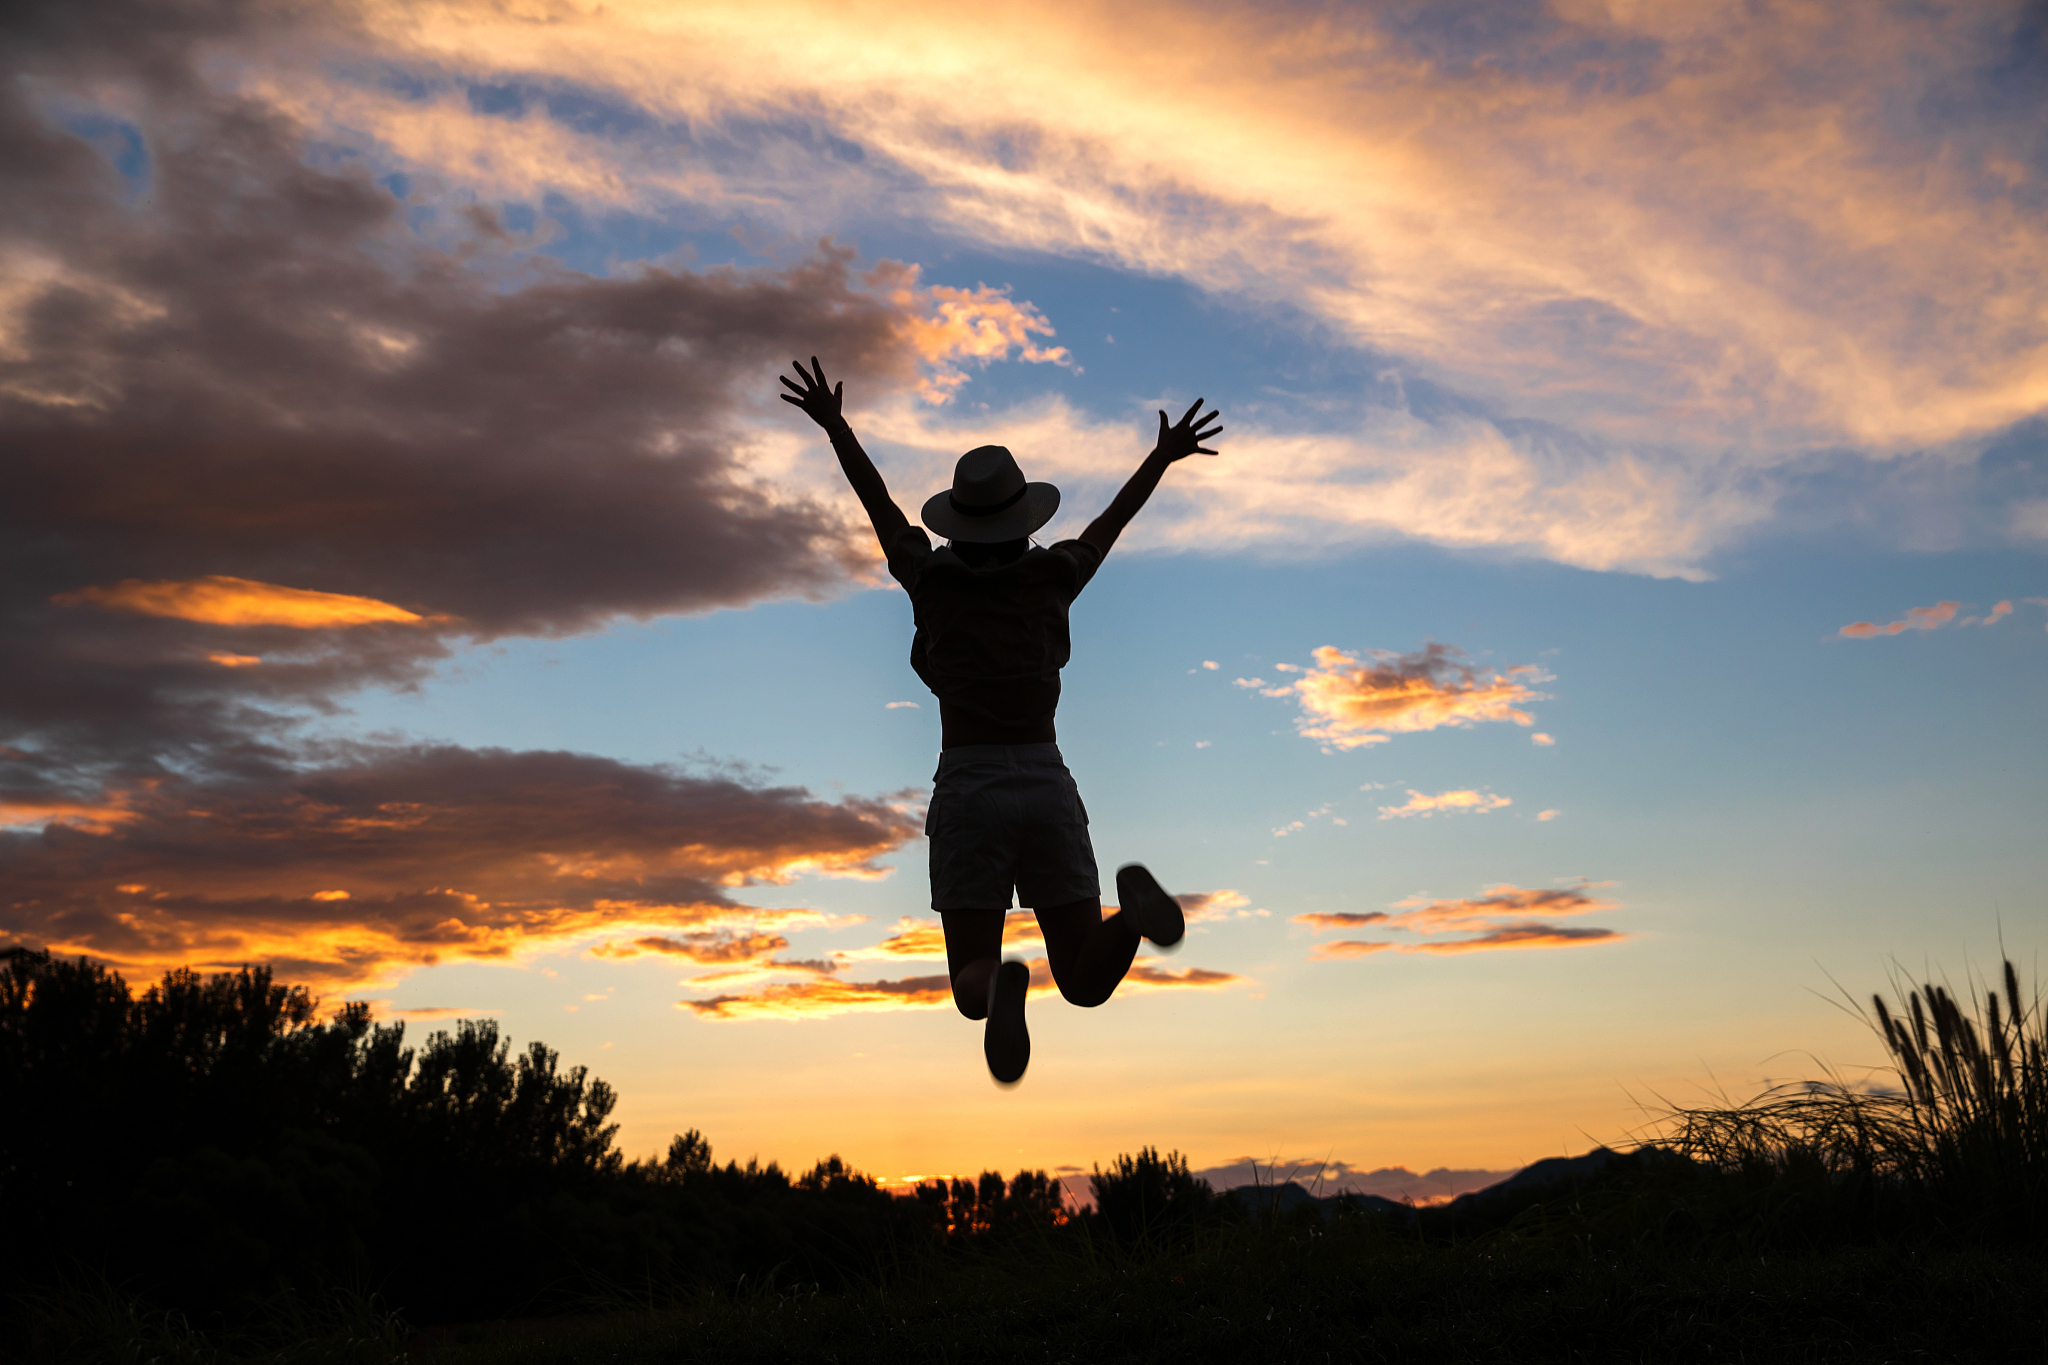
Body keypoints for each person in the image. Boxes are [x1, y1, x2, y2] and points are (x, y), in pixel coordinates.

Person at [779, 357, 1223, 1084]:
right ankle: (1134, 920)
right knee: (1083, 979)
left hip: (971, 783)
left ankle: (1001, 989)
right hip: (1046, 781)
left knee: (971, 984)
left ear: (959, 525)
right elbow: (1109, 525)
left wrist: (836, 426)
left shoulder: (933, 579)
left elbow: (880, 507)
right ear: (1024, 522)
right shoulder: (1054, 575)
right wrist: (1161, 456)